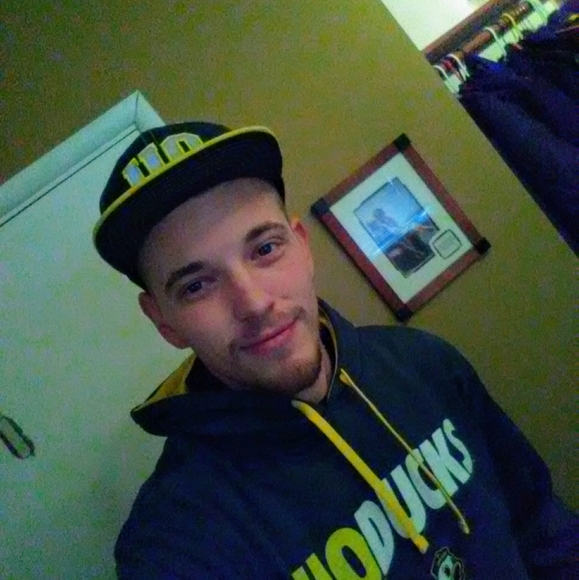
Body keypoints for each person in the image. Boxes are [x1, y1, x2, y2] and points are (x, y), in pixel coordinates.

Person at [93, 121, 577, 579]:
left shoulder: (425, 362)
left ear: (302, 245)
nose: (254, 304)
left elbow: (540, 524)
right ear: (163, 321)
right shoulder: (174, 544)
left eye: (265, 249)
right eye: (197, 285)